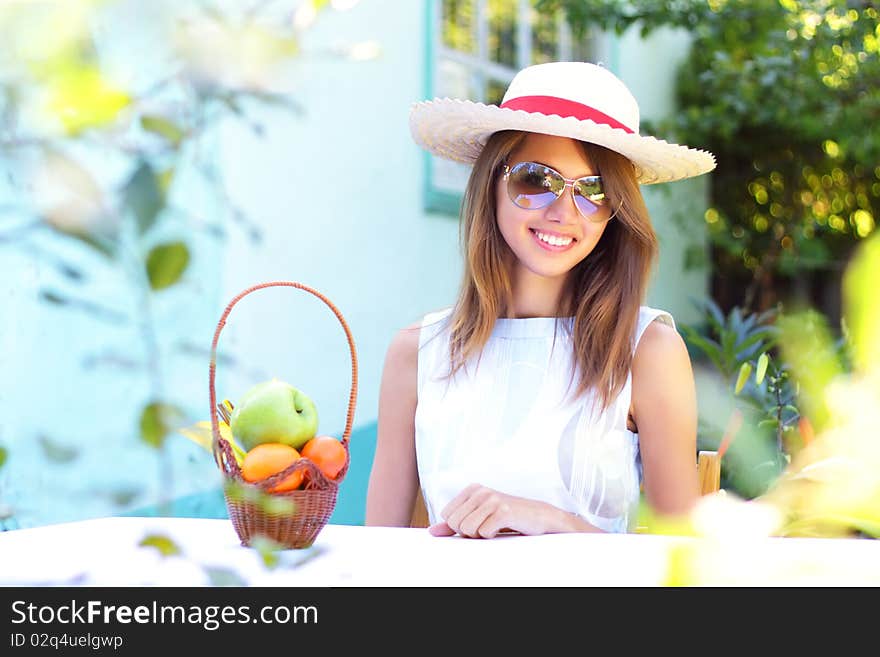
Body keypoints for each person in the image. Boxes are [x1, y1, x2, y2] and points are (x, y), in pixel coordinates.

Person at [365, 61, 716, 537]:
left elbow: (682, 566)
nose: (564, 212)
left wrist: (552, 523)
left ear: (617, 211)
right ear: (492, 182)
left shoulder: (646, 351)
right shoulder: (417, 353)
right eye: (535, 179)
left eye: (594, 191)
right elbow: (376, 556)